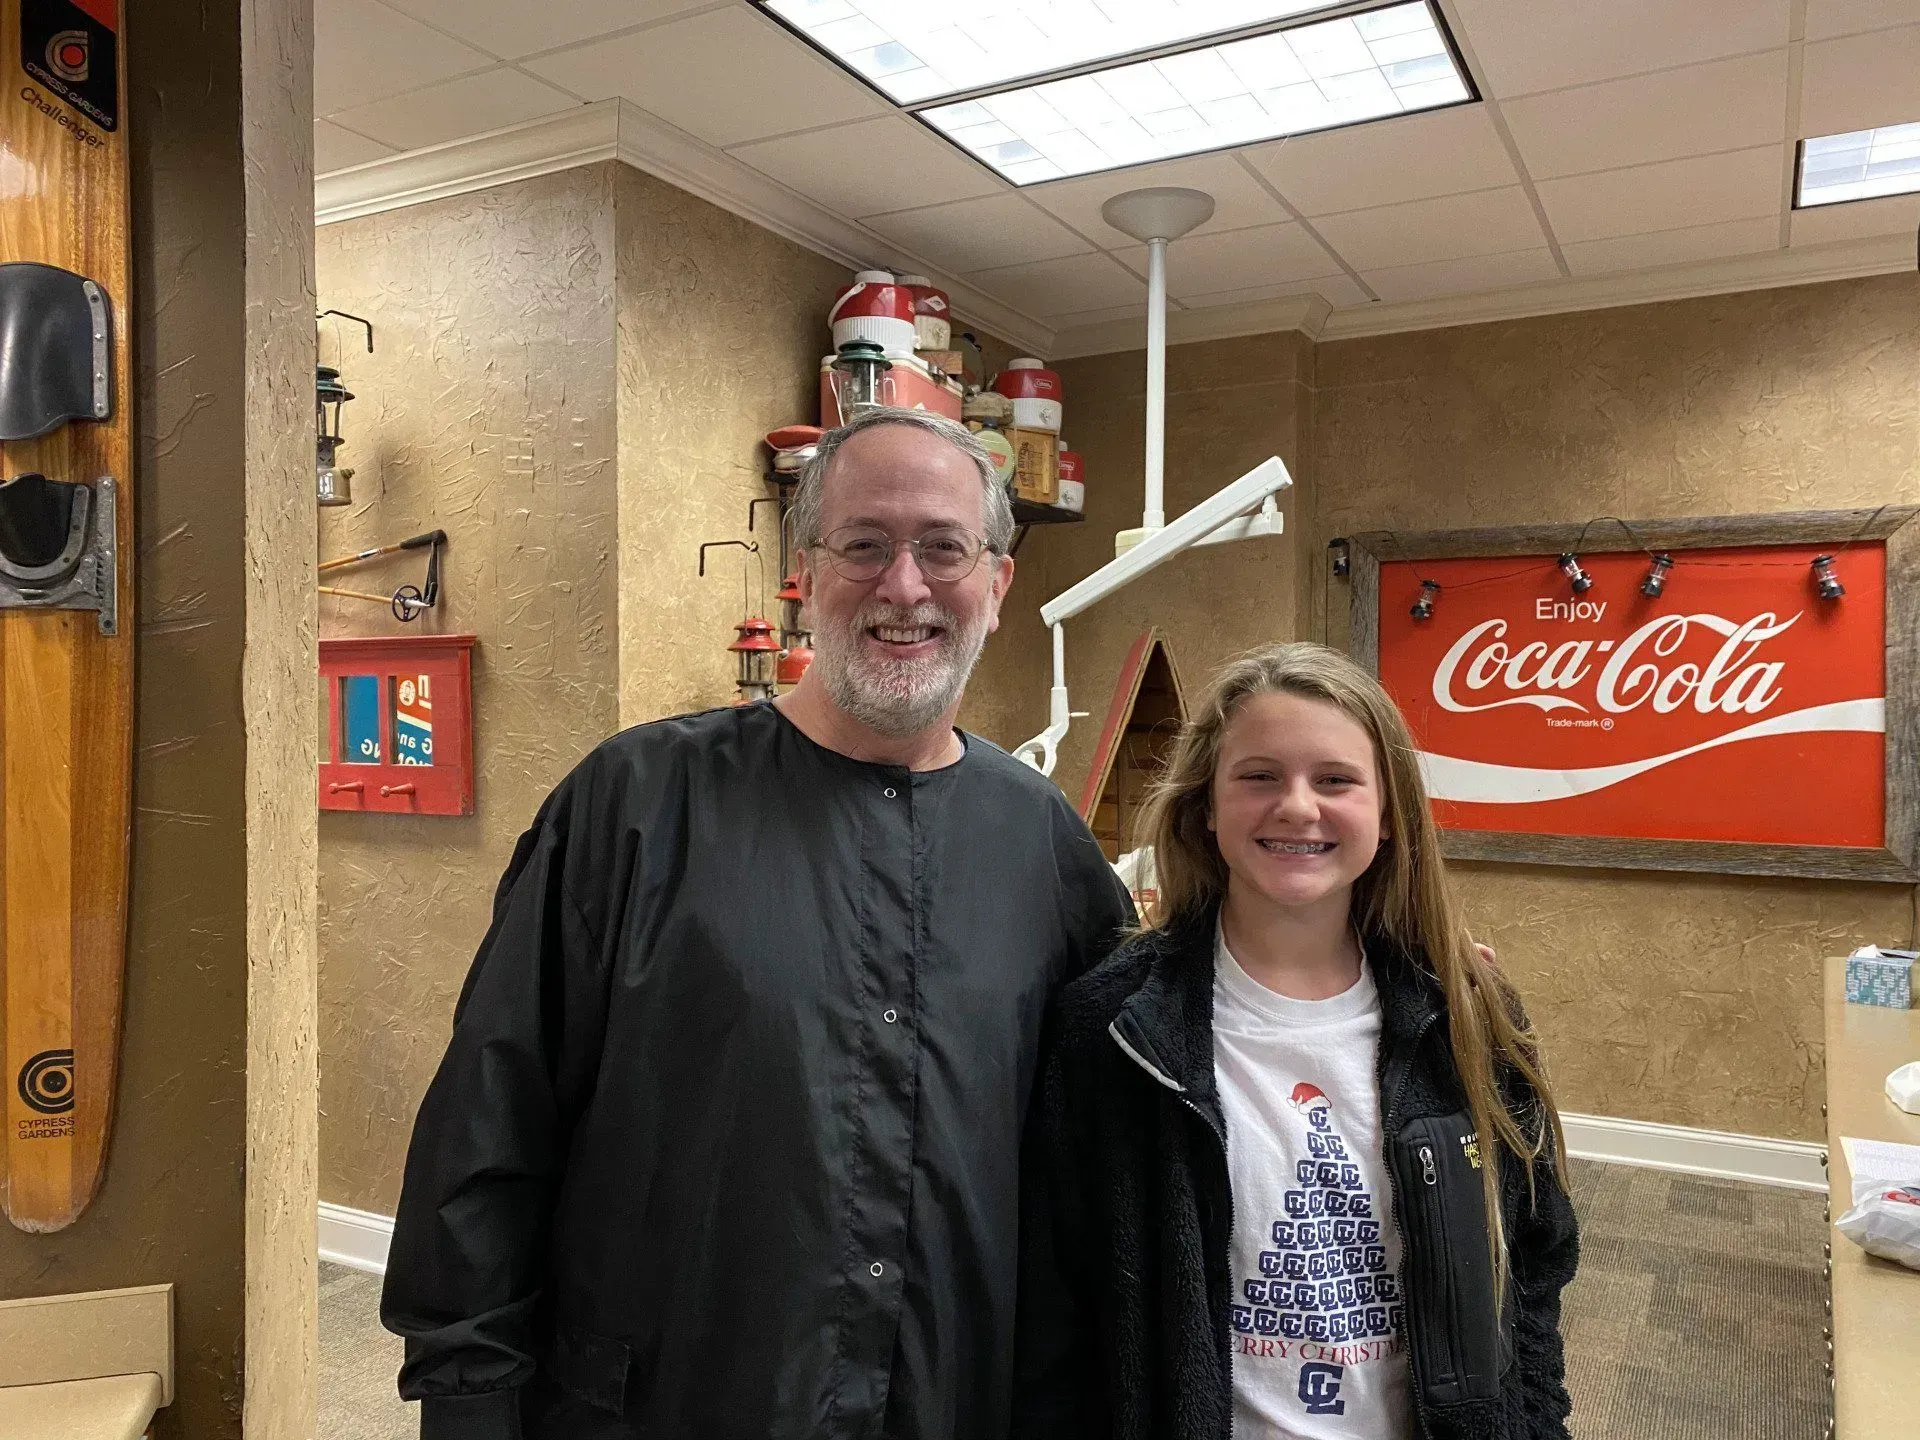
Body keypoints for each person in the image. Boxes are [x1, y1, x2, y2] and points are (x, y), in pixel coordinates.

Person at [382, 407, 1133, 1440]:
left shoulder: (1046, 850)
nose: (903, 585)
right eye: (863, 544)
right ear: (805, 573)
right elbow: (492, 1116)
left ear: (997, 585)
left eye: (943, 548)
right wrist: (469, 1400)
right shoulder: (636, 805)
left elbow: (1104, 1163)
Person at [1014, 642, 1578, 1439]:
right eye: (1260, 776)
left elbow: (1534, 1265)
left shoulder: (1468, 1014)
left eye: (1336, 780)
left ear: (1389, 815)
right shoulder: (1111, 1028)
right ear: (1207, 806)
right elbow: (1057, 1312)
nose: (1298, 807)